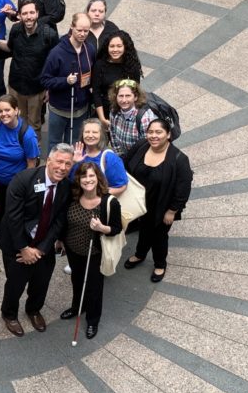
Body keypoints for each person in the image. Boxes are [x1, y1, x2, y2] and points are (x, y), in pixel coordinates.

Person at [0, 143, 74, 337]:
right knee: (15, 283)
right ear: (48, 160)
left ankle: (33, 310)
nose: (62, 167)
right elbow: (13, 217)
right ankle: (9, 314)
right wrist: (24, 248)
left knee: (42, 281)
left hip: (43, 243)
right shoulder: (23, 180)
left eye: (68, 164)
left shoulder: (66, 186)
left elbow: (59, 220)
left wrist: (41, 249)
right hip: (17, 242)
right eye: (59, 161)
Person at [122, 119, 193, 283]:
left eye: (158, 132)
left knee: (159, 236)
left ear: (168, 134)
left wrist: (172, 211)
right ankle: (140, 254)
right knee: (144, 230)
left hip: (162, 206)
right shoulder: (141, 145)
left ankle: (160, 264)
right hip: (139, 204)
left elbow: (183, 189)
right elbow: (125, 162)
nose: (153, 136)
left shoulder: (179, 159)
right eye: (150, 132)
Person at [58, 162, 122, 339]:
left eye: (91, 175)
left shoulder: (109, 202)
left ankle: (93, 320)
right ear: (78, 179)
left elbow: (116, 229)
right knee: (77, 281)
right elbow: (65, 222)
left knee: (94, 288)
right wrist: (61, 240)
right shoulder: (73, 197)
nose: (88, 180)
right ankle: (77, 307)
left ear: (98, 178)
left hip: (94, 253)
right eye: (84, 176)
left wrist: (102, 227)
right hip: (73, 250)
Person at [0, 94, 40, 250]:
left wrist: (25, 187)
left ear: (17, 110)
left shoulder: (27, 135)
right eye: (0, 111)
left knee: (15, 212)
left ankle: (16, 238)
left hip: (17, 182)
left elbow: (31, 164)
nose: (4, 114)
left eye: (8, 110)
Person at [0, 0, 57, 145]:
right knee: (16, 119)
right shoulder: (16, 30)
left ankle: (33, 151)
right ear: (20, 15)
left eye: (32, 12)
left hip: (36, 88)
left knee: (34, 123)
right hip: (16, 85)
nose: (29, 16)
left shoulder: (48, 34)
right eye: (25, 13)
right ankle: (18, 147)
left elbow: (55, 62)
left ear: (37, 13)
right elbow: (10, 48)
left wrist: (50, 87)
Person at [41, 13, 95, 146]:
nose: (82, 34)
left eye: (86, 31)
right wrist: (65, 81)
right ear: (72, 27)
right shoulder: (57, 53)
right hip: (59, 109)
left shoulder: (90, 49)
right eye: (79, 30)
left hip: (81, 109)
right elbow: (45, 80)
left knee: (75, 143)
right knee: (55, 143)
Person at [92, 30, 142, 128]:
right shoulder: (100, 65)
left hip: (125, 113)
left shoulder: (132, 66)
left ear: (125, 47)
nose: (115, 49)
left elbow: (136, 92)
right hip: (104, 111)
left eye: (119, 46)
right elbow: (96, 93)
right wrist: (102, 118)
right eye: (112, 46)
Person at [71, 119, 128, 197]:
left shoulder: (110, 157)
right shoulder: (75, 153)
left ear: (101, 135)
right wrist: (73, 162)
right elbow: (64, 180)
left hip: (100, 201)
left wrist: (95, 195)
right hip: (76, 200)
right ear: (82, 134)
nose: (90, 135)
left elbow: (121, 187)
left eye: (95, 132)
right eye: (87, 132)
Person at [109, 79, 156, 157]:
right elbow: (113, 134)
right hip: (124, 155)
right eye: (121, 96)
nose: (124, 100)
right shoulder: (114, 112)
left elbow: (148, 147)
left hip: (140, 158)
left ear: (135, 97)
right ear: (115, 97)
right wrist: (119, 155)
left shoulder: (144, 118)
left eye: (128, 96)